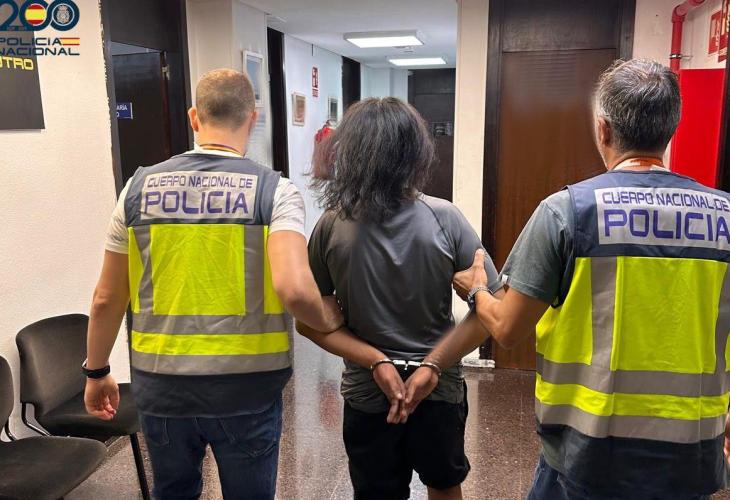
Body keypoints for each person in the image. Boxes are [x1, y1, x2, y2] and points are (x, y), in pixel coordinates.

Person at [415, 58, 730, 500]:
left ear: (603, 129)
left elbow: (507, 329)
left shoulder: (567, 213)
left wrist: (477, 290)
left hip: (589, 451)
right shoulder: (724, 215)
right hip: (691, 453)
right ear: (671, 128)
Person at [83, 69, 342, 500]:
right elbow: (296, 289)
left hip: (163, 387)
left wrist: (97, 371)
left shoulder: (136, 190)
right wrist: (328, 321)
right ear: (252, 118)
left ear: (193, 117)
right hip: (246, 389)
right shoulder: (274, 192)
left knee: (174, 492)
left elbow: (106, 298)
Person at [296, 97, 500, 500]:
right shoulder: (445, 217)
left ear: (351, 151)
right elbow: (494, 311)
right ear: (414, 152)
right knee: (444, 486)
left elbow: (308, 321)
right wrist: (433, 366)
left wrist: (376, 361)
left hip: (368, 391)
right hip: (437, 390)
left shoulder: (331, 224)